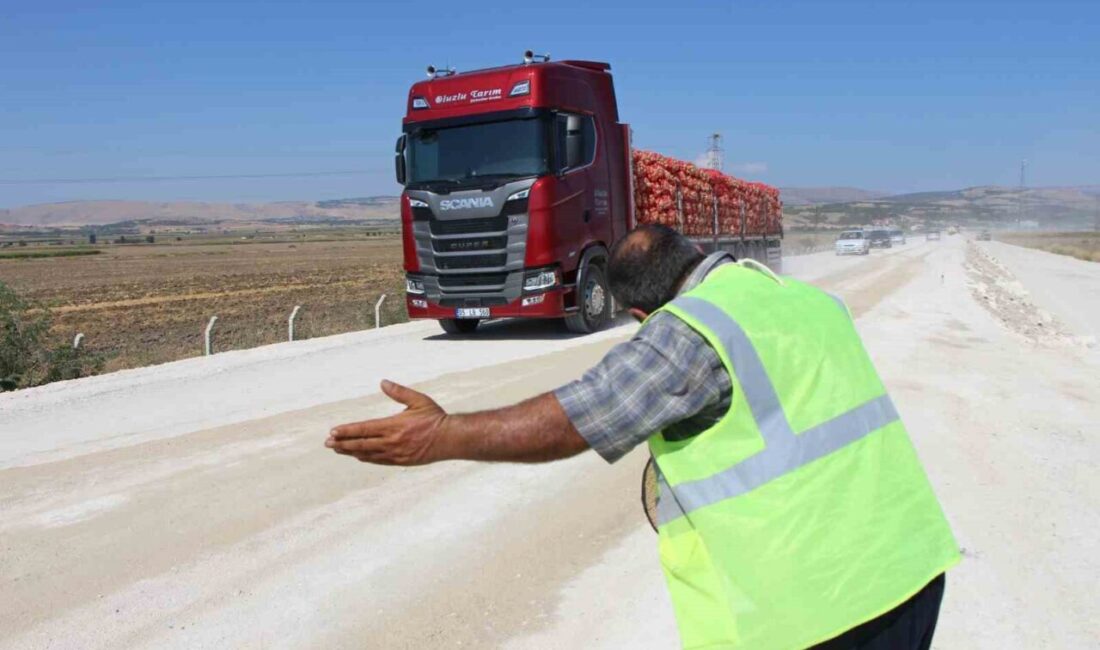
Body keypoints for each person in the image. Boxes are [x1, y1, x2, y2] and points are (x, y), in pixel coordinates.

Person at [325, 225, 960, 649]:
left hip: (819, 610)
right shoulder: (801, 298)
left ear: (639, 315)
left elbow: (581, 415)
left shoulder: (686, 329)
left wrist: (444, 435)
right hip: (909, 568)